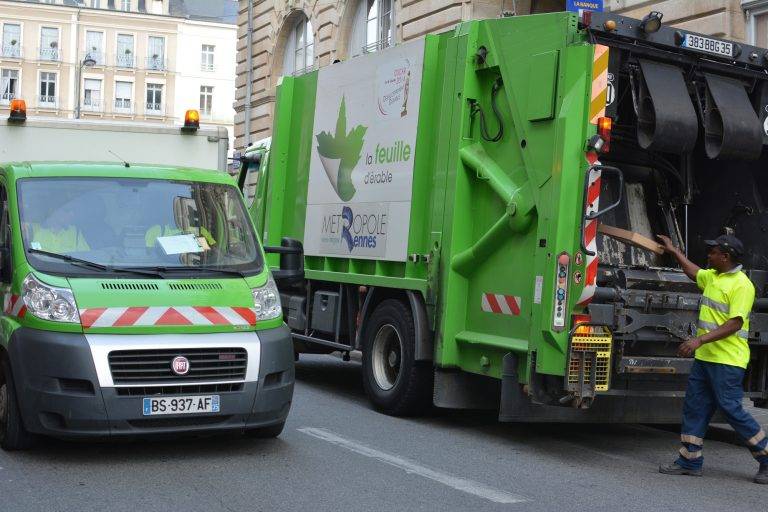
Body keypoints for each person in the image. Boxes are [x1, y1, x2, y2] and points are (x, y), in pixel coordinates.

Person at [657, 234, 768, 484]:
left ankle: (766, 458)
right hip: (706, 359)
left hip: (727, 361)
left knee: (731, 409)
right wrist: (674, 252)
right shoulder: (714, 277)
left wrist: (699, 341)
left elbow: (734, 323)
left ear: (725, 257)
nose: (708, 256)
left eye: (713, 252)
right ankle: (689, 460)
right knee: (695, 407)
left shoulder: (741, 285)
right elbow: (694, 272)